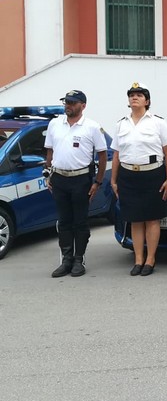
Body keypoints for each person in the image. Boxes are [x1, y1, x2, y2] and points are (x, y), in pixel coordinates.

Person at [110, 82, 167, 276]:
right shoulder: (121, 124)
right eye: (131, 95)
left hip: (152, 174)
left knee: (152, 219)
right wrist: (114, 180)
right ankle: (138, 260)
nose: (134, 97)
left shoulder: (158, 122)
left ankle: (150, 259)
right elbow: (116, 154)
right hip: (128, 175)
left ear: (147, 100)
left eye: (139, 95)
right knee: (135, 220)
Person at [45, 90, 107, 278]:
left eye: (72, 102)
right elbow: (49, 152)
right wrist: (47, 174)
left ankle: (79, 259)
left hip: (81, 180)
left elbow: (102, 155)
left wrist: (97, 182)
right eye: (66, 102)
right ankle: (66, 259)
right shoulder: (55, 124)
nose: (68, 106)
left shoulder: (92, 127)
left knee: (80, 221)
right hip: (60, 179)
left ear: (83, 105)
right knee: (64, 221)